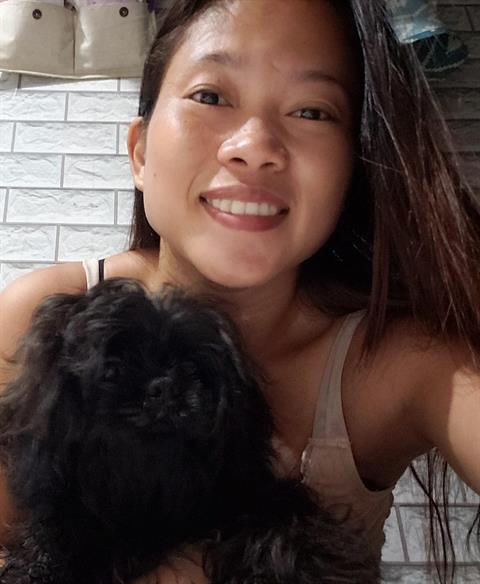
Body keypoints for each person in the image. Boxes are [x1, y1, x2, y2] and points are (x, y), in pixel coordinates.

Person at [0, 0, 479, 582]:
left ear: (352, 170)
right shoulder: (29, 321)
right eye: (210, 96)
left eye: (311, 110)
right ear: (140, 152)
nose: (255, 145)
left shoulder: (405, 368)